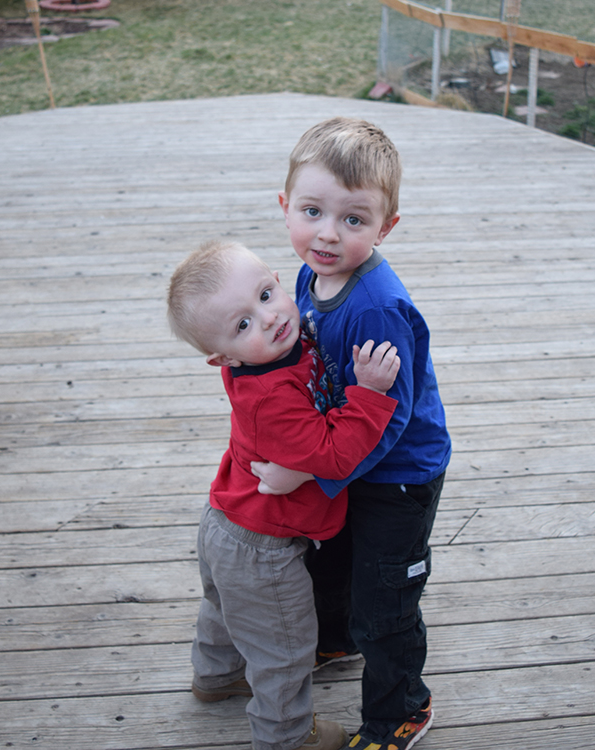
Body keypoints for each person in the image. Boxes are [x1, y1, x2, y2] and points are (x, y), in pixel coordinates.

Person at [257, 117, 452, 750]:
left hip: (397, 474)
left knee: (386, 599)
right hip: (347, 452)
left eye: (353, 220)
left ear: (385, 226)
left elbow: (392, 420)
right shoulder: (311, 277)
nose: (327, 235)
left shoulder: (375, 309)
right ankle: (336, 638)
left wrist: (314, 469)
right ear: (286, 206)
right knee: (331, 557)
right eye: (312, 211)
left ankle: (402, 709)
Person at [167, 239, 402, 750]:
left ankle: (215, 676)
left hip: (227, 522)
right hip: (262, 550)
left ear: (277, 278)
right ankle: (287, 736)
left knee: (225, 609)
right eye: (243, 324)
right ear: (221, 358)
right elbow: (334, 454)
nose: (269, 318)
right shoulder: (269, 397)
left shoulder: (275, 352)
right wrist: (369, 395)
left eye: (267, 294)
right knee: (285, 649)